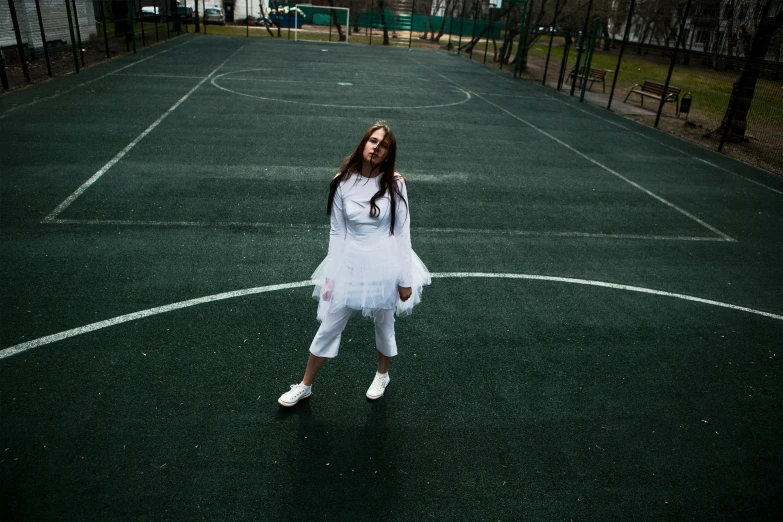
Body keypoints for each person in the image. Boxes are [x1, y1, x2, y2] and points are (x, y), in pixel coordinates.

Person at [278, 121, 430, 407]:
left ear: (388, 153)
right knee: (330, 324)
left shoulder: (395, 184)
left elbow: (402, 232)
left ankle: (382, 375)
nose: (376, 148)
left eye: (383, 145)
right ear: (364, 144)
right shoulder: (341, 182)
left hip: (386, 264)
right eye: (373, 141)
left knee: (384, 324)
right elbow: (337, 231)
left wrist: (405, 278)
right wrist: (331, 275)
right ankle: (305, 385)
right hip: (350, 262)